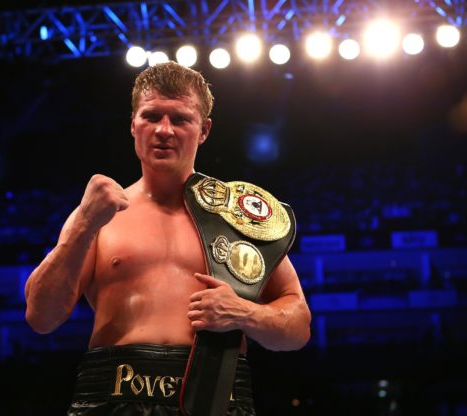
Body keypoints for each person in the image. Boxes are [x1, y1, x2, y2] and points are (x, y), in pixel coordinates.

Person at [25, 61, 311, 415]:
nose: (163, 130)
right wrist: (83, 223)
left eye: (179, 119)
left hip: (216, 396)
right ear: (133, 124)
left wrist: (245, 313)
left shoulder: (238, 218)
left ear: (204, 130)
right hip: (112, 398)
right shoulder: (99, 214)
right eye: (151, 116)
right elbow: (41, 317)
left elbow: (298, 326)